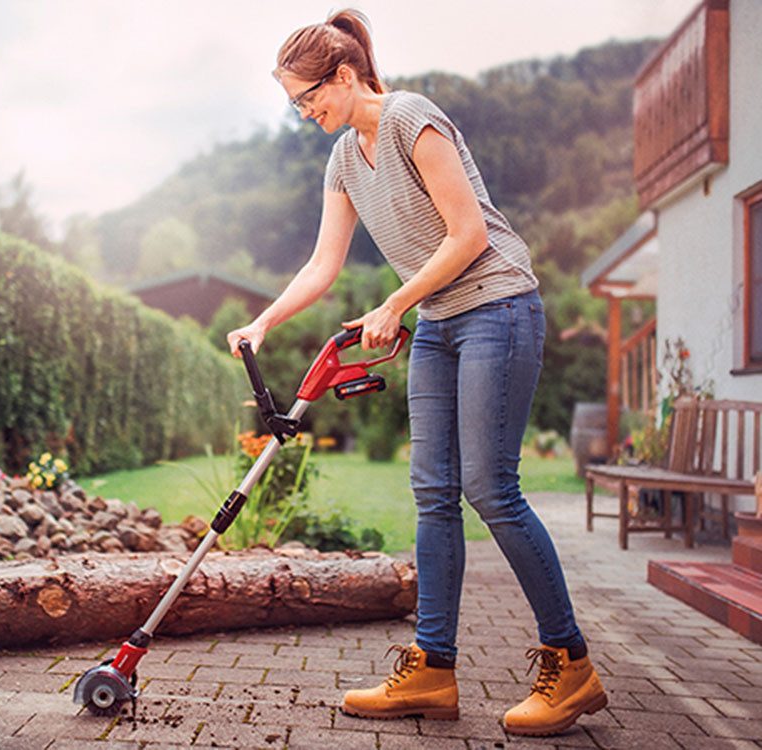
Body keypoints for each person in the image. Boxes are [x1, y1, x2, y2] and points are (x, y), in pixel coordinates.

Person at [226, 8, 608, 737]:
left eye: (309, 97)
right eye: (295, 104)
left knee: (490, 489)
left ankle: (572, 664)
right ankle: (433, 669)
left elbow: (468, 234)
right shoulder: (344, 159)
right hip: (437, 324)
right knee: (433, 492)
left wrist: (395, 302)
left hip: (497, 305)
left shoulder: (410, 117)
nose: (305, 114)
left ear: (344, 76)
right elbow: (323, 264)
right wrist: (264, 322)